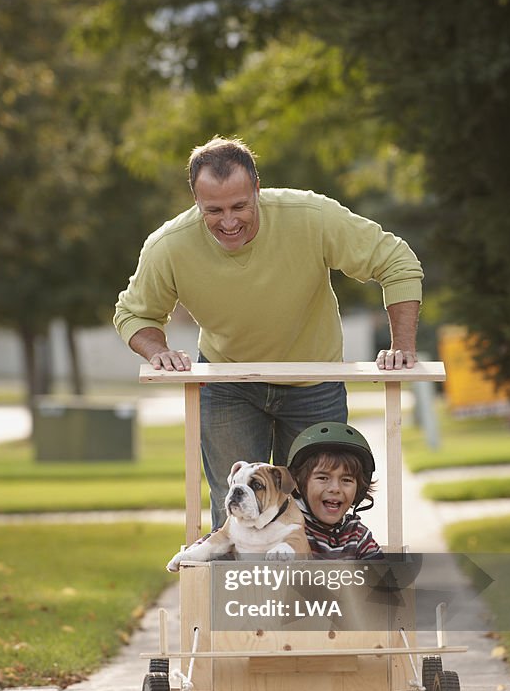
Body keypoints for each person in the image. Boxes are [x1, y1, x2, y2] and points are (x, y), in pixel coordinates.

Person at [114, 136, 423, 528]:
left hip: (314, 381)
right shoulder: (169, 246)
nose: (228, 221)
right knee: (239, 509)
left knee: (320, 507)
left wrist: (403, 347)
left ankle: (311, 590)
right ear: (196, 201)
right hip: (230, 384)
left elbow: (396, 261)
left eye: (240, 206)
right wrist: (157, 349)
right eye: (214, 210)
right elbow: (133, 313)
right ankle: (239, 591)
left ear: (257, 189)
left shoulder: (309, 215)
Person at [287, 422, 382, 560]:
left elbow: (385, 578)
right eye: (323, 478)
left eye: (346, 480)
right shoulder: (287, 528)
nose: (335, 488)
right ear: (297, 483)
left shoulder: (357, 535)